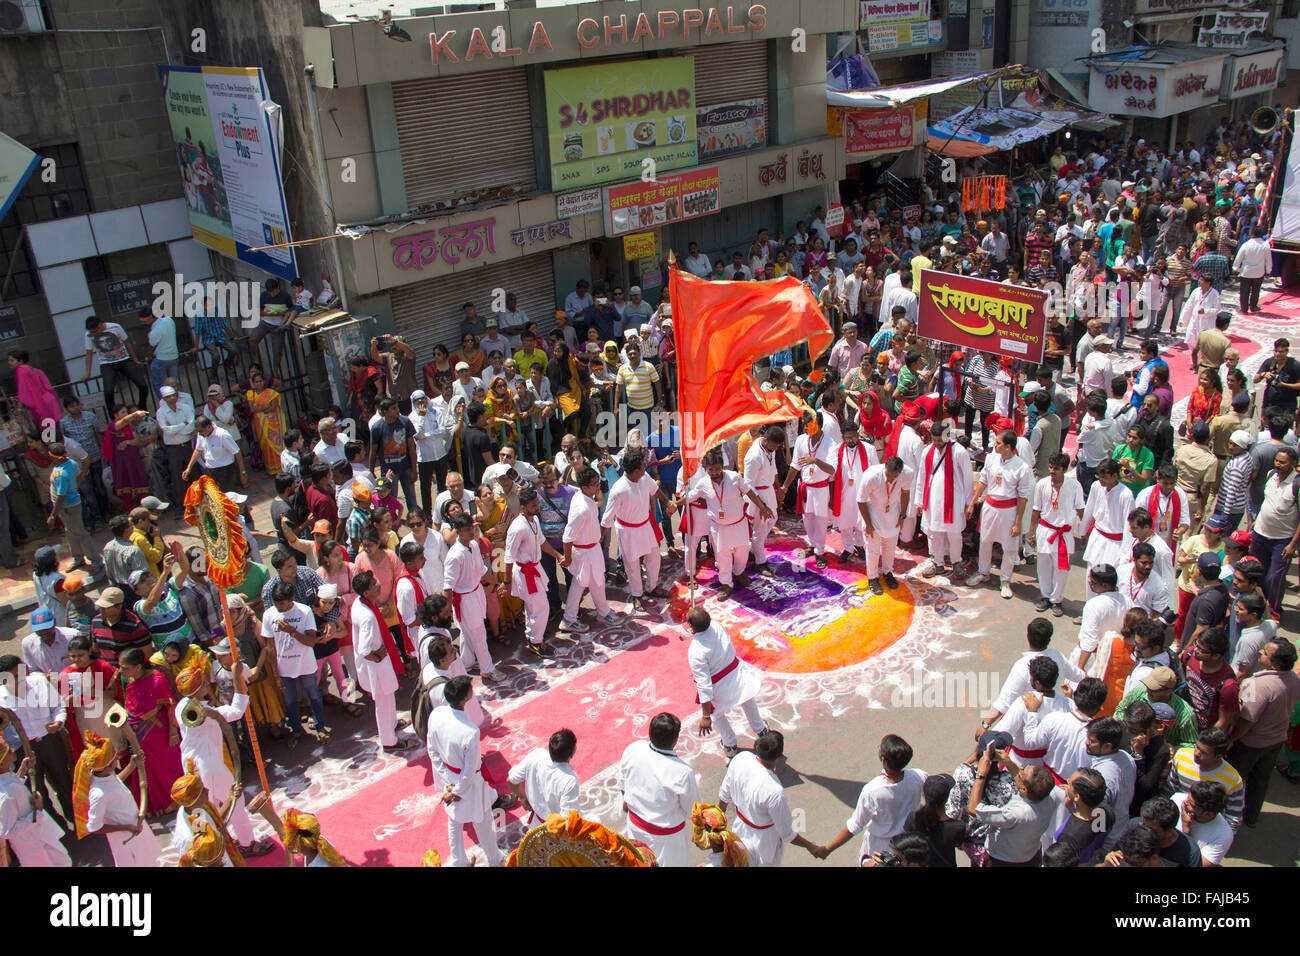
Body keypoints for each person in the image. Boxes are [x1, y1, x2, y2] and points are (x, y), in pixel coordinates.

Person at [171, 663, 275, 856]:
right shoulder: (205, 713)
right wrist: (237, 678)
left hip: (191, 764)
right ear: (200, 687)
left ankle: (213, 843)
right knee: (235, 801)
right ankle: (246, 843)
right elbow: (236, 712)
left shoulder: (181, 707)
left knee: (204, 809)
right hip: (210, 766)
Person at [717, 730, 824, 866]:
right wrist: (811, 847)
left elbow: (724, 795)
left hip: (738, 831)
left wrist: (717, 822)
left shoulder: (740, 759)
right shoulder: (774, 791)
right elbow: (787, 834)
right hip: (764, 845)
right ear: (780, 757)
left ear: (757, 746)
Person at [427, 676, 503, 866]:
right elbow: (470, 770)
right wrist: (457, 791)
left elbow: (432, 750)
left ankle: (458, 861)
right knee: (482, 822)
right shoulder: (470, 731)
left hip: (451, 778)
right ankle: (495, 860)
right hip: (467, 783)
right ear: (465, 698)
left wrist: (449, 783)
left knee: (454, 821)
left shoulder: (436, 714)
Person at [1228, 637, 1300, 828]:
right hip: (1276, 741)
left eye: (1265, 653)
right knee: (1260, 781)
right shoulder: (1294, 679)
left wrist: (1232, 739)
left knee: (1232, 781)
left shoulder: (1255, 684)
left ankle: (1227, 817)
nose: (1260, 653)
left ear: (1275, 663)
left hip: (1250, 744)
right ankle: (1251, 817)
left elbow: (1246, 720)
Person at [821, 734, 926, 864]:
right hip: (907, 844)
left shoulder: (872, 790)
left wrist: (827, 849)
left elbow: (855, 825)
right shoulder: (918, 776)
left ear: (882, 759)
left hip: (879, 848)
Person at [686, 449, 771, 599]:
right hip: (719, 527)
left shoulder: (734, 477)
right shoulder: (703, 483)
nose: (715, 472)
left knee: (742, 552)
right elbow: (690, 497)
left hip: (738, 524)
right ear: (707, 469)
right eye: (711, 470)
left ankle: (739, 572)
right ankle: (726, 583)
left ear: (722, 466)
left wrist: (762, 507)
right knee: (722, 555)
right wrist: (673, 503)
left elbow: (749, 492)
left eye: (718, 469)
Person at [618, 712, 701, 867]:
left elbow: (623, 782)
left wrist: (628, 800)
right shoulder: (682, 772)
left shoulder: (633, 749)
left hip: (635, 826)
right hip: (667, 841)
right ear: (675, 739)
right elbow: (694, 810)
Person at [72, 732, 162, 867]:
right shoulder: (98, 794)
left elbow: (115, 783)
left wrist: (132, 766)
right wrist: (126, 827)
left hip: (135, 828)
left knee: (154, 860)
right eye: (114, 758)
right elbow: (94, 827)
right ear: (108, 766)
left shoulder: (104, 775)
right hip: (127, 838)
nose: (116, 759)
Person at [351, 570, 416, 753]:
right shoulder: (368, 617)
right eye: (374, 584)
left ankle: (392, 723)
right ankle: (389, 741)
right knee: (383, 701)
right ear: (366, 592)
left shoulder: (359, 603)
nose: (378, 584)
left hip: (378, 664)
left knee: (388, 698)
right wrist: (377, 656)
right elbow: (364, 650)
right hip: (376, 667)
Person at [602, 449, 675, 610]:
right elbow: (607, 518)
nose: (646, 468)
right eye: (643, 467)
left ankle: (651, 587)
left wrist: (669, 503)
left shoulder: (644, 477)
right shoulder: (618, 489)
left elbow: (655, 491)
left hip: (645, 525)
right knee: (632, 565)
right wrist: (599, 539)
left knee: (654, 556)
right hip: (627, 531)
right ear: (635, 470)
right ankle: (637, 595)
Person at [966, 428, 1034, 599]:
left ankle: (1005, 580)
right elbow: (983, 481)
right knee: (985, 541)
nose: (994, 446)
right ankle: (983, 572)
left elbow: (1023, 497)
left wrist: (1018, 522)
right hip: (990, 507)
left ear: (1009, 447)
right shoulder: (991, 458)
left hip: (1008, 511)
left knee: (1010, 548)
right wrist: (973, 501)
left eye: (998, 443)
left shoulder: (1022, 467)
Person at [263, 580, 327, 749]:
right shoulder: (269, 615)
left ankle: (320, 727)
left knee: (314, 695)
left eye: (282, 604)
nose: (279, 608)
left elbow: (312, 641)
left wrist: (291, 631)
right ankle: (297, 730)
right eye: (276, 604)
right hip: (284, 668)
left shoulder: (304, 611)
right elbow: (269, 647)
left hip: (305, 664)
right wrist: (275, 674)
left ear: (291, 599)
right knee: (290, 701)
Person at [503, 486, 567, 656]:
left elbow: (542, 541)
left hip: (535, 569)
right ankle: (535, 642)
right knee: (540, 607)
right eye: (533, 506)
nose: (537, 508)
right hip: (525, 573)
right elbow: (508, 557)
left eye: (537, 504)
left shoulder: (534, 520)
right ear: (523, 507)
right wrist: (507, 582)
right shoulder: (517, 528)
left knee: (534, 606)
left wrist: (558, 556)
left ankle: (534, 634)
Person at [967, 749, 1057, 866]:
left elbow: (973, 809)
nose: (1020, 770)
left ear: (1024, 790)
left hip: (1003, 861)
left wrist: (981, 775)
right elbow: (1023, 782)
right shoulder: (1048, 798)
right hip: (1030, 856)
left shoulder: (1015, 814)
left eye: (1023, 771)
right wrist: (1008, 763)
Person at [443, 512, 504, 682]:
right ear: (459, 531)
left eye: (473, 528)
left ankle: (468, 662)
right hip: (464, 599)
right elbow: (448, 586)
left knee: (468, 632)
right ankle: (488, 669)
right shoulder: (454, 556)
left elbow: (481, 570)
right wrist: (447, 610)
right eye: (468, 529)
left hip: (476, 593)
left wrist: (497, 583)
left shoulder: (474, 546)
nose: (472, 532)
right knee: (478, 634)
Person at [560, 466, 619, 633]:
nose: (598, 486)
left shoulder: (586, 497)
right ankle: (569, 619)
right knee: (579, 585)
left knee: (596, 581)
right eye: (594, 484)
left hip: (591, 549)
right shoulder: (581, 507)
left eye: (597, 482)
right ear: (584, 487)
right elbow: (567, 536)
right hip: (584, 552)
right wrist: (568, 557)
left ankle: (603, 612)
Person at [913, 419, 975, 578]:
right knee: (934, 533)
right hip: (932, 501)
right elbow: (921, 477)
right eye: (934, 440)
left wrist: (969, 503)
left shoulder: (959, 452)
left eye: (940, 440)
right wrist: (919, 501)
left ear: (947, 437)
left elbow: (968, 479)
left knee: (954, 534)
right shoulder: (927, 451)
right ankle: (937, 562)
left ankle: (956, 562)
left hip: (954, 501)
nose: (937, 443)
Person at [1020, 676, 1109, 784]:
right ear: (1099, 707)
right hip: (1073, 792)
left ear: (1076, 696)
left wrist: (1032, 712)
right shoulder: (1098, 738)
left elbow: (1030, 742)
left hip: (1045, 784)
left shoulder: (1055, 719)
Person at [1029, 453, 1086, 615]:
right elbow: (1036, 510)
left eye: (1057, 469)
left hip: (1064, 533)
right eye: (1051, 467)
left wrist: (1083, 532)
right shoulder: (1042, 484)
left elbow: (1081, 509)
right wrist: (1031, 534)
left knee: (1061, 569)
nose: (1052, 471)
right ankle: (1046, 596)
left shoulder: (1074, 486)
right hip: (1045, 531)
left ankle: (1056, 600)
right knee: (1043, 566)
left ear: (1065, 469)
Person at [0, 738, 71, 866]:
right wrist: (36, 813)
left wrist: (23, 769)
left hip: (40, 836)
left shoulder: (6, 778)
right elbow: (7, 831)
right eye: (7, 750)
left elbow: (14, 789)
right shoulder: (5, 795)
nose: (12, 749)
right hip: (32, 846)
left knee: (64, 861)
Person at [780, 411, 835, 569]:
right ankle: (812, 545)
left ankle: (820, 551)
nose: (805, 426)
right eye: (805, 423)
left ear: (818, 425)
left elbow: (832, 470)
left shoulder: (830, 443)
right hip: (805, 486)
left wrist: (815, 461)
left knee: (820, 519)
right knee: (807, 518)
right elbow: (795, 466)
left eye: (809, 423)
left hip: (820, 488)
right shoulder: (801, 440)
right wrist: (784, 486)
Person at [1163, 728, 1245, 831]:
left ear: (1218, 756)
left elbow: (1233, 818)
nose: (1196, 753)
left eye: (1204, 752)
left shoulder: (1233, 780)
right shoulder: (1181, 757)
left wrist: (1222, 840)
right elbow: (1169, 791)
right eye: (1196, 747)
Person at [1080, 460, 1134, 596]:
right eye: (1099, 476)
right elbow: (1089, 509)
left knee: (1107, 580)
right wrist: (1083, 531)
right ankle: (1090, 610)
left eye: (1104, 477)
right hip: (1097, 538)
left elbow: (1129, 527)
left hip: (1115, 543)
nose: (1101, 480)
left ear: (1115, 476)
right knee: (1091, 576)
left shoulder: (1126, 495)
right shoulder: (1096, 486)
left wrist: (1126, 554)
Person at [1050, 768, 1114, 865]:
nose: (1067, 786)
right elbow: (1091, 828)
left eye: (1070, 784)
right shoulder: (1107, 812)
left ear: (1077, 797)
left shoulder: (1069, 837)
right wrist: (1073, 809)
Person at [743, 425, 784, 575]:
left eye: (778, 446)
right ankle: (760, 562)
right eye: (775, 445)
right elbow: (748, 486)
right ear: (766, 440)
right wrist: (762, 506)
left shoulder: (769, 447)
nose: (776, 448)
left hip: (769, 490)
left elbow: (774, 471)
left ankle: (754, 549)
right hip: (757, 495)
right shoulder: (753, 457)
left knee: (773, 520)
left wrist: (778, 489)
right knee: (760, 530)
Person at [1173, 782, 1235, 866]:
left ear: (1208, 814)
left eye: (1192, 805)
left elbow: (1197, 865)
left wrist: (1186, 830)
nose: (1184, 803)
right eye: (1188, 798)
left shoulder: (1223, 835)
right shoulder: (1176, 799)